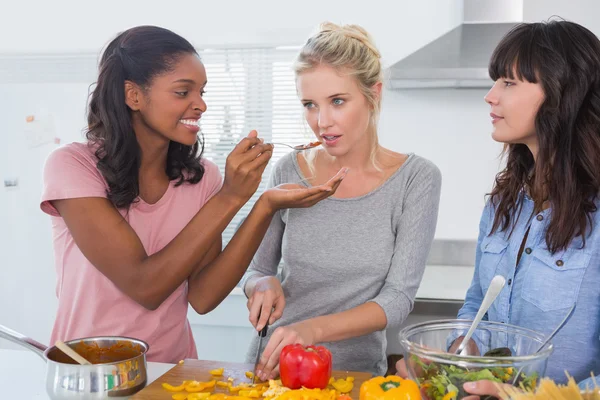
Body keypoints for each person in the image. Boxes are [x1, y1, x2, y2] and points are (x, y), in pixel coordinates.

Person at [40, 25, 345, 363]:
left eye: (201, 92)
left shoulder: (201, 177)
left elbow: (203, 296)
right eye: (183, 92)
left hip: (173, 373)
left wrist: (264, 205)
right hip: (88, 374)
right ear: (134, 95)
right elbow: (145, 286)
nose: (200, 104)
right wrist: (230, 197)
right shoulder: (73, 166)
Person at [396, 19, 600, 397]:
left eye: (508, 83)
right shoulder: (503, 204)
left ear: (562, 94)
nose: (490, 96)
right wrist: (460, 350)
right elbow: (477, 302)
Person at [240, 22, 442, 379]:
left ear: (373, 95)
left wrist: (310, 330)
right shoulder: (288, 169)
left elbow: (397, 300)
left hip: (354, 374)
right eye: (309, 105)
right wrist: (262, 285)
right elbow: (259, 270)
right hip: (273, 368)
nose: (322, 122)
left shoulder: (416, 179)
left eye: (337, 101)